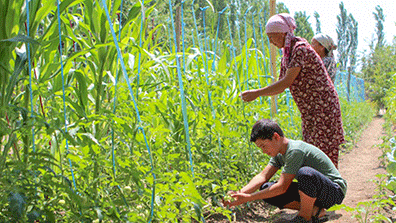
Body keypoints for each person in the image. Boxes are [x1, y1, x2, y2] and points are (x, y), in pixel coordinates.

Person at [240, 13, 345, 168]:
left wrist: (256, 93)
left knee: (323, 156)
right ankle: (318, 190)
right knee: (314, 155)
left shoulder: (299, 49)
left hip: (323, 109)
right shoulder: (287, 54)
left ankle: (332, 190)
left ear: (283, 33)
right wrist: (259, 93)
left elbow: (285, 83)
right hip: (311, 112)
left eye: (272, 36)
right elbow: (281, 86)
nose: (271, 41)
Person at [223, 119, 347, 223]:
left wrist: (249, 197)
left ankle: (304, 217)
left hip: (333, 192)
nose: (263, 151)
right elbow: (263, 176)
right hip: (315, 191)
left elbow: (282, 187)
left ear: (276, 137)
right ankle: (315, 211)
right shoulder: (279, 153)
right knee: (266, 188)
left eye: (263, 146)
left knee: (305, 173)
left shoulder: (295, 151)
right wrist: (238, 195)